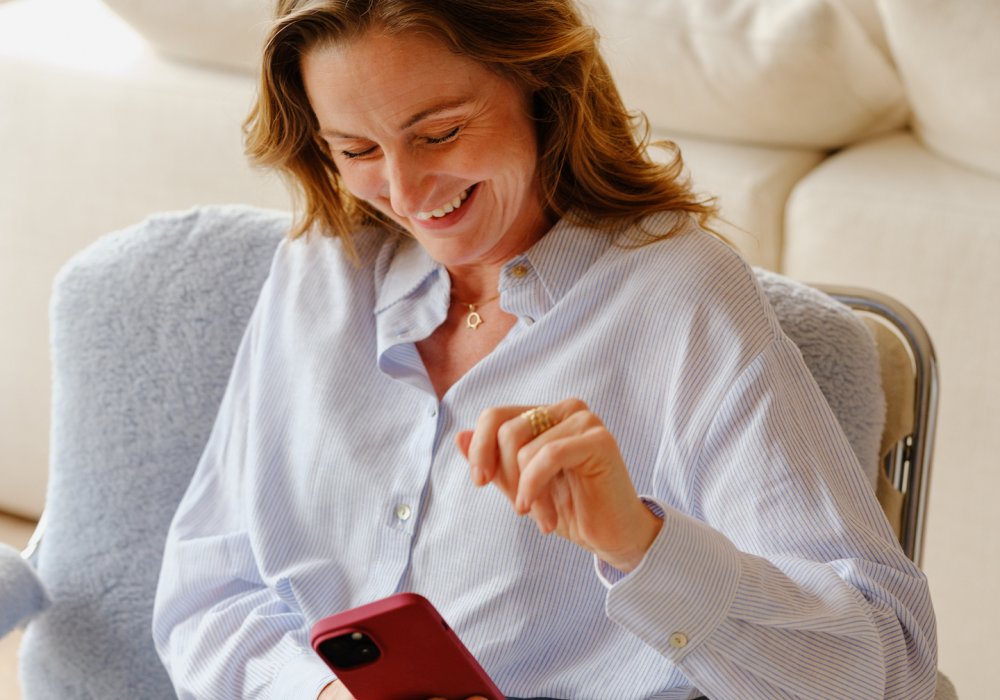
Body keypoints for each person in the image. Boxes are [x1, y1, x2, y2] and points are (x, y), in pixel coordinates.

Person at [151, 1, 937, 698]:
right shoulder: (323, 268)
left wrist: (641, 544)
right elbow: (205, 597)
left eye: (440, 133)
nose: (407, 192)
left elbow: (886, 671)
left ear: (543, 87)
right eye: (356, 151)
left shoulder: (679, 297)